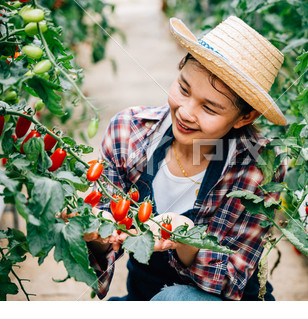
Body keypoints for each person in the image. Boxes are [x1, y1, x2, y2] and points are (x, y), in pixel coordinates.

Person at [86, 15, 287, 301]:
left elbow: (231, 284)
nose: (185, 112)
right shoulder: (128, 133)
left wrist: (186, 237)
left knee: (175, 300)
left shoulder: (258, 166)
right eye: (183, 88)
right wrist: (96, 236)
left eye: (210, 108)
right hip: (145, 298)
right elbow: (103, 244)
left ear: (246, 116)